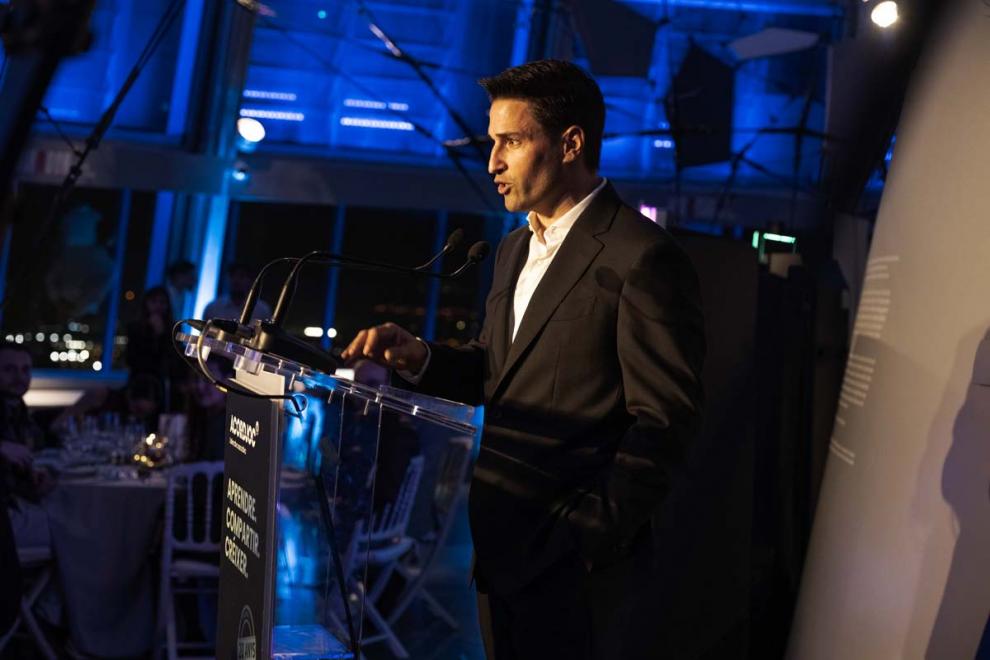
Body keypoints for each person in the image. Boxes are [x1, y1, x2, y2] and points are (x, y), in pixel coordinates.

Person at [342, 60, 705, 659]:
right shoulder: (513, 249)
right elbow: (498, 369)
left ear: (570, 144)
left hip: (576, 575)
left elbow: (665, 421)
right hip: (499, 556)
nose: (492, 163)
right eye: (492, 142)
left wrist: (588, 536)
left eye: (510, 141)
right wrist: (421, 357)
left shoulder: (642, 257)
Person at [0, 342, 54, 550]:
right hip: (7, 517)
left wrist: (33, 478)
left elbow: (33, 449)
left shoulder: (17, 408)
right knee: (77, 530)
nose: (19, 377)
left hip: (17, 505)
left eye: (25, 370)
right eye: (9, 369)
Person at [125, 286, 185, 410]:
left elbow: (174, 359)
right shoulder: (135, 328)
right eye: (154, 302)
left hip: (166, 384)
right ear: (146, 303)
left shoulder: (174, 328)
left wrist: (161, 335)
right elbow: (131, 358)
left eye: (162, 302)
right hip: (140, 382)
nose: (158, 306)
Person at [203, 262, 271, 323]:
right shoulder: (212, 308)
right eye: (232, 276)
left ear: (251, 281)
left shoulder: (262, 310)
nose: (236, 280)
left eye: (241, 276)